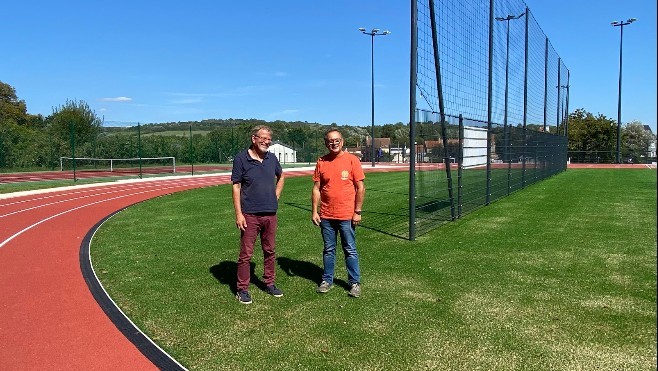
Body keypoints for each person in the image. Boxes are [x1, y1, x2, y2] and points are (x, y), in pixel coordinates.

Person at [231, 125, 285, 304]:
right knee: (246, 254)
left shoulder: (271, 158)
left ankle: (269, 283)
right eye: (263, 138)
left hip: (270, 213)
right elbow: (236, 186)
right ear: (254, 138)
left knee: (269, 250)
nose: (267, 142)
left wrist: (275, 196)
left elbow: (281, 176)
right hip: (250, 214)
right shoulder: (241, 159)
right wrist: (239, 213)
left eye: (269, 139)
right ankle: (242, 289)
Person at [311, 129, 365, 298]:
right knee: (329, 249)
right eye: (330, 141)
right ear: (326, 143)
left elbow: (360, 187)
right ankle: (327, 280)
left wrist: (357, 211)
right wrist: (314, 211)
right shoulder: (322, 161)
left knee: (350, 249)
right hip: (326, 215)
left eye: (336, 140)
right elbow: (316, 189)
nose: (333, 144)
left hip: (347, 215)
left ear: (342, 141)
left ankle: (354, 283)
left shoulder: (352, 160)